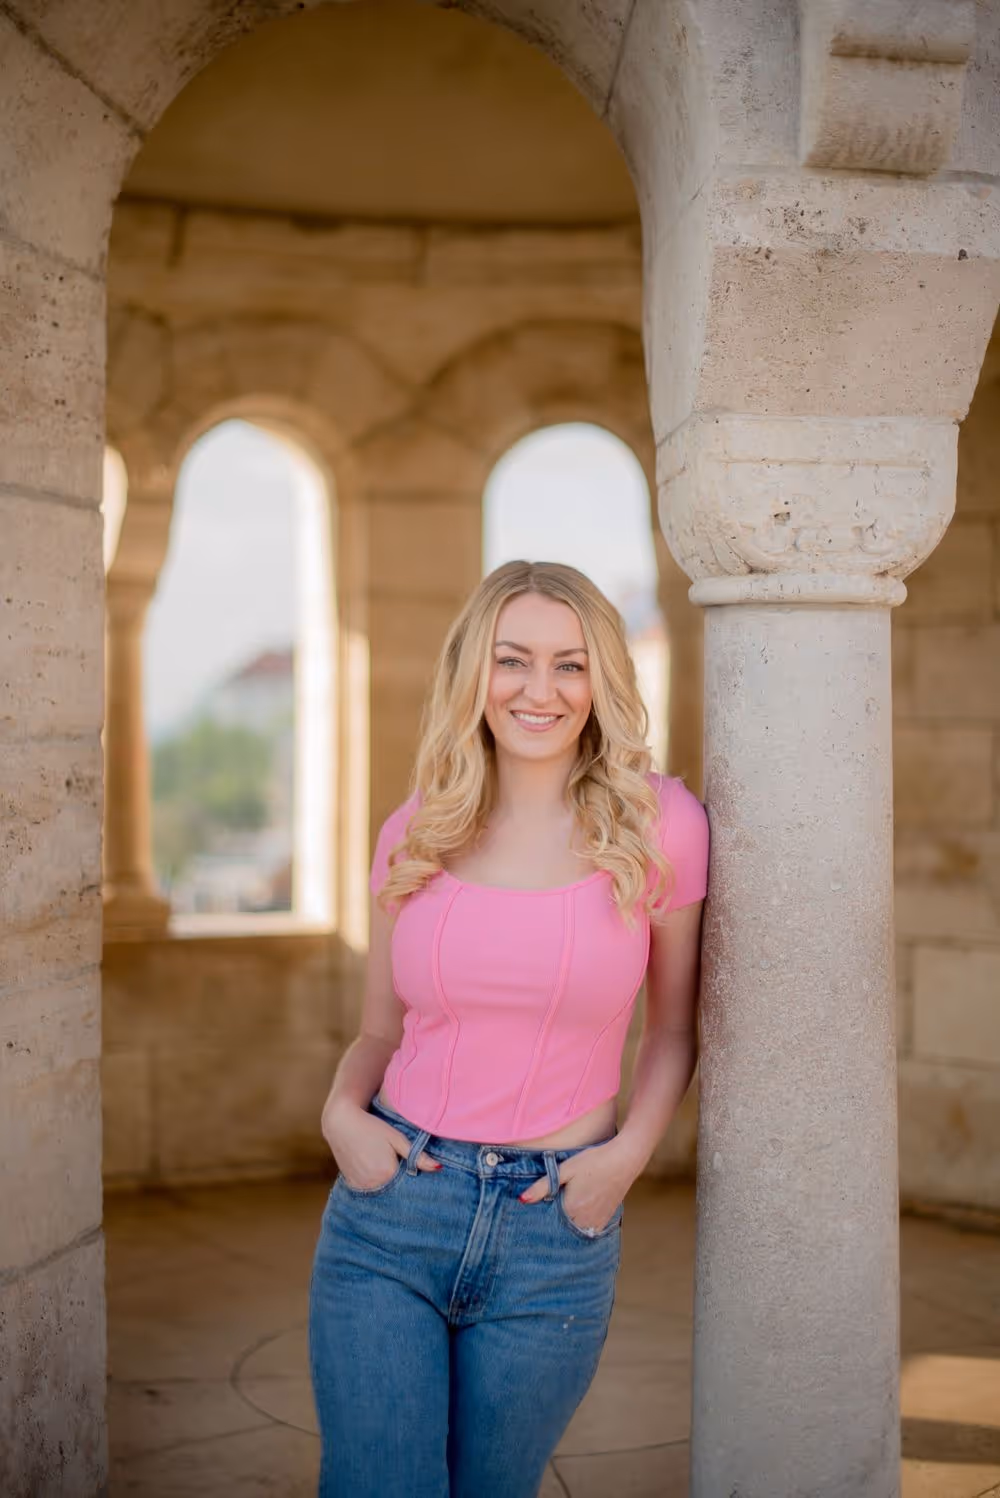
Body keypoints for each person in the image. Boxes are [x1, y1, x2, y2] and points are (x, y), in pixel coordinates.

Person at [308, 559, 709, 1498]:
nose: (540, 690)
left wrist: (622, 1163)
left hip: (553, 1230)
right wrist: (339, 1116)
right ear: (471, 673)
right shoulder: (417, 829)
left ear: (603, 680)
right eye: (513, 660)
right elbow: (378, 1033)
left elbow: (672, 1031)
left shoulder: (661, 827)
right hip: (393, 1212)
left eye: (571, 665)